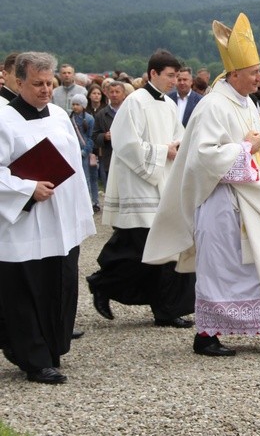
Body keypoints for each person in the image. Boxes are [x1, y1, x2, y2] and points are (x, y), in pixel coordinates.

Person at [142, 13, 260, 357]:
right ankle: (207, 335)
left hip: (249, 201)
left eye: (259, 71)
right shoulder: (213, 105)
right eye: (254, 72)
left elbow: (251, 146)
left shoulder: (244, 102)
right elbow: (203, 157)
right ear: (235, 74)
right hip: (223, 204)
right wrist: (247, 148)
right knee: (225, 271)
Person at [0, 52, 96, 384]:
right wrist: (27, 188)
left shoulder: (58, 114)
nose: (45, 90)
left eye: (49, 83)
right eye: (37, 83)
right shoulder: (4, 120)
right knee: (27, 290)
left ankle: (52, 349)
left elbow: (75, 168)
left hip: (60, 221)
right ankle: (33, 359)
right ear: (18, 81)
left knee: (60, 284)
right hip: (24, 224)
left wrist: (79, 214)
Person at [86, 49, 195, 329]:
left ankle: (166, 309)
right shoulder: (134, 102)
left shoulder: (169, 105)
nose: (174, 81)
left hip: (163, 181)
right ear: (153, 74)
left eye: (177, 76)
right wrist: (162, 152)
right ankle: (102, 283)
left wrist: (180, 148)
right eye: (170, 76)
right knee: (137, 248)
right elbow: (125, 145)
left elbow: (179, 138)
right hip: (139, 183)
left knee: (166, 248)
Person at [69, 94, 100, 211]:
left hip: (85, 153)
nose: (75, 107)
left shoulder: (89, 119)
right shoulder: (69, 118)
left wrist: (85, 151)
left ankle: (92, 201)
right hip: (73, 151)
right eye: (73, 104)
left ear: (83, 105)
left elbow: (91, 137)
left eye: (78, 104)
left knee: (89, 177)